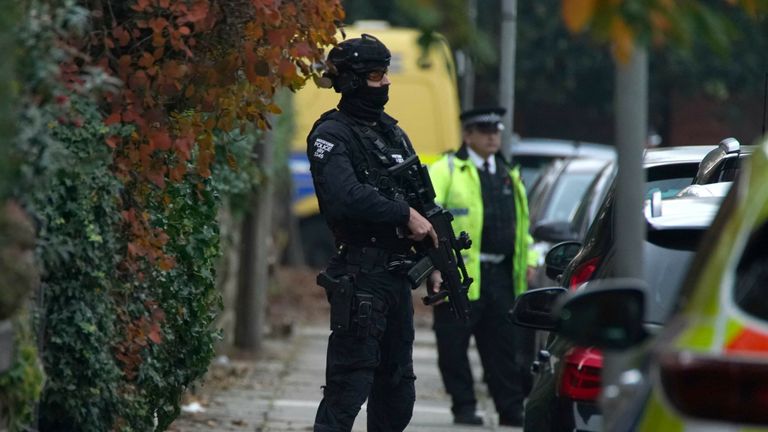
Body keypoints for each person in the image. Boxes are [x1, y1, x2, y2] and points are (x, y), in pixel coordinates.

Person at [306, 33, 440, 432]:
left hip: (397, 279)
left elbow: (424, 201)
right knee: (349, 388)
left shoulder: (392, 133)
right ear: (350, 81)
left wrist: (434, 262)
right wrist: (404, 215)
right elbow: (346, 197)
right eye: (377, 75)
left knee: (398, 391)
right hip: (361, 277)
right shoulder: (331, 135)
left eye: (386, 75)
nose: (385, 84)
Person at [428, 107, 537, 426]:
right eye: (484, 130)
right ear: (468, 135)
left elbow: (523, 227)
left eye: (496, 131)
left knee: (503, 346)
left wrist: (529, 261)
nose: (492, 137)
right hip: (457, 274)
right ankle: (463, 405)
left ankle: (510, 408)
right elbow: (426, 216)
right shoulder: (448, 169)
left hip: (501, 275)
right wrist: (435, 266)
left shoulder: (508, 173)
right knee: (453, 344)